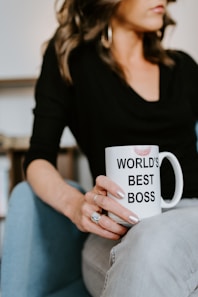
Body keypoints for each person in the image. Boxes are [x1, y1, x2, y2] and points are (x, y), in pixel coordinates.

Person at [23, 0, 198, 296]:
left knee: (154, 240)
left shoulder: (183, 68)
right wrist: (76, 204)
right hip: (114, 231)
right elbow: (38, 158)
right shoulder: (72, 61)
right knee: (150, 246)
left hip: (190, 217)